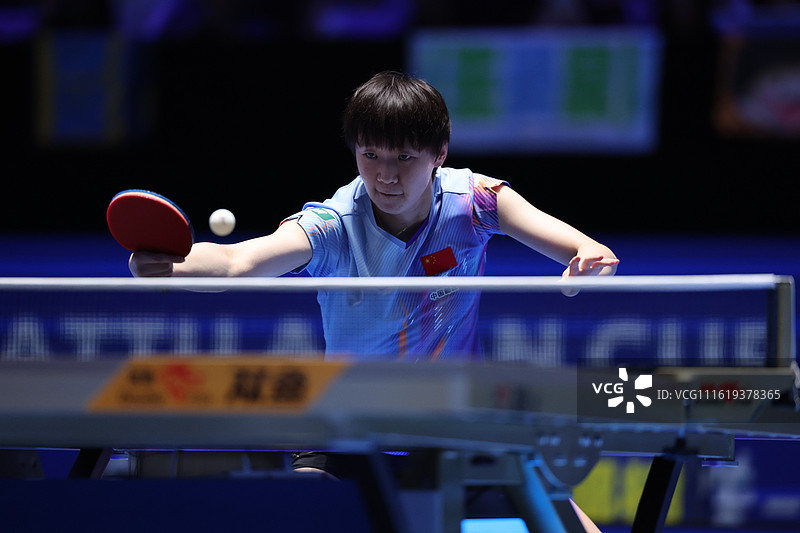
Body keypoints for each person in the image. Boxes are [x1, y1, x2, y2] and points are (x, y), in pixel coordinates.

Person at [129, 70, 618, 485]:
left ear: (439, 154)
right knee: (299, 507)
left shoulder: (476, 202)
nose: (385, 175)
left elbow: (589, 250)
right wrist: (171, 264)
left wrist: (589, 264)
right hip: (350, 428)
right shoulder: (333, 225)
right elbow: (238, 262)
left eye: (404, 157)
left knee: (562, 520)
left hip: (455, 427)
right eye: (371, 155)